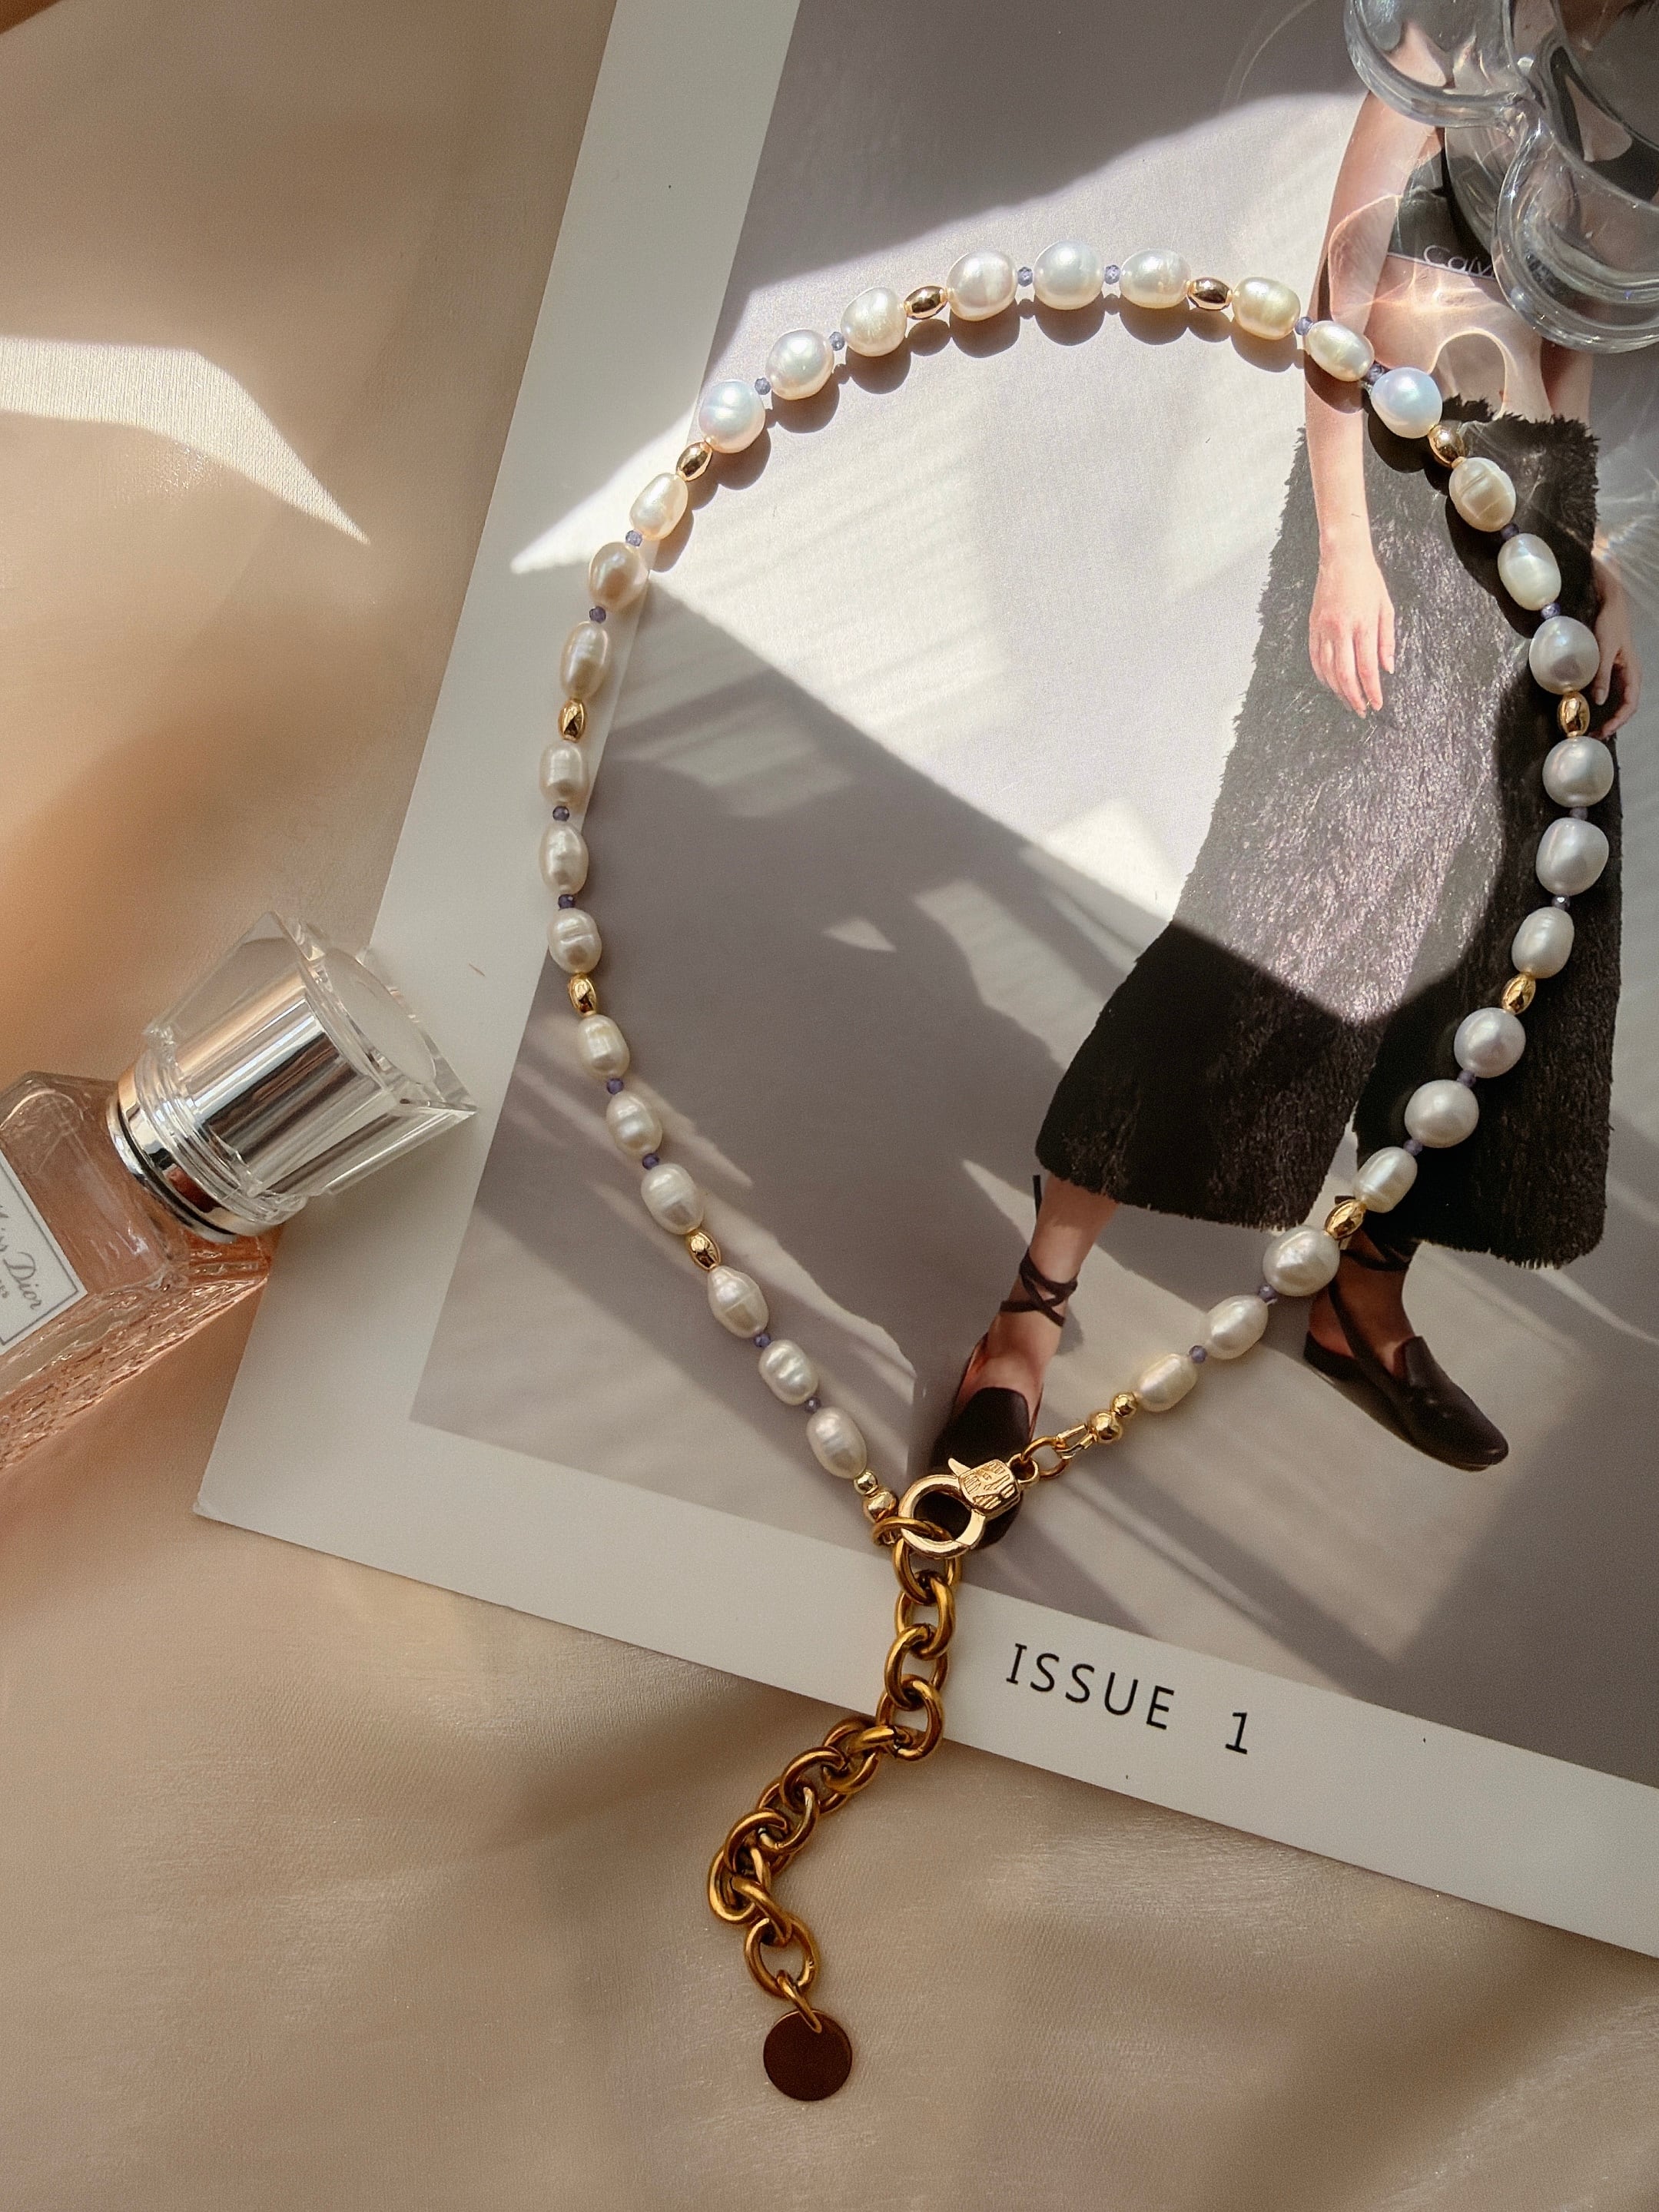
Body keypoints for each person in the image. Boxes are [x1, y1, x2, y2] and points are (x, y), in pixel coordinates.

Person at [934, 79, 1642, 1499]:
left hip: (1536, 548)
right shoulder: (1437, 55)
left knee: (1511, 958)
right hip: (1399, 520)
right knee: (1277, 925)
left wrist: (1596, 563)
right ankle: (1029, 1312)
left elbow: (1561, 355)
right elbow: (1339, 306)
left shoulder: (1585, 107)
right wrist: (1343, 547)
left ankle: (1362, 1298)